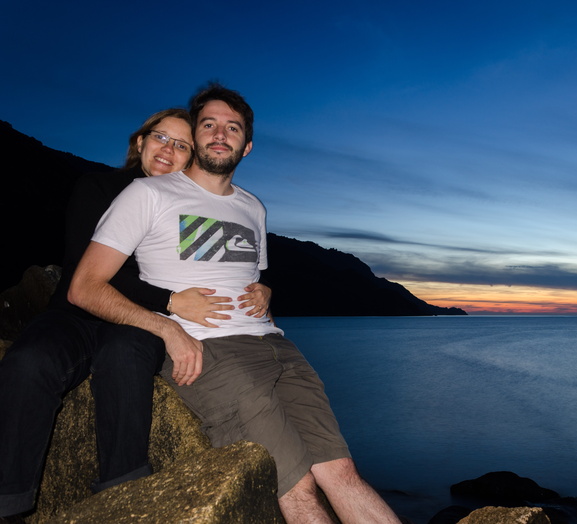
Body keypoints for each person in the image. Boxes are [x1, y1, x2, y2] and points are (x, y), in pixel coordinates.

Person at [68, 84, 401, 523]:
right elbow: (85, 287)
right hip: (213, 352)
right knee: (296, 486)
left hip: (279, 349)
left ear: (247, 146)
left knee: (341, 472)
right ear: (196, 136)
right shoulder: (148, 194)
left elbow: (249, 279)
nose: (219, 134)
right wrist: (167, 328)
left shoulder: (252, 207)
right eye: (209, 124)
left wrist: (267, 295)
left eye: (232, 127)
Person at [0, 108, 271, 522]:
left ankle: (122, 496)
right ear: (140, 142)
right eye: (160, 137)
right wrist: (170, 302)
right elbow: (87, 276)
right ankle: (9, 503)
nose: (168, 150)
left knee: (124, 359)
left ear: (193, 156)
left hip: (139, 321)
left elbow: (220, 260)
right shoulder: (99, 187)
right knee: (29, 361)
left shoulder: (187, 202)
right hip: (79, 313)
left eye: (181, 145)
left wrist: (260, 288)